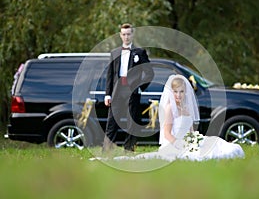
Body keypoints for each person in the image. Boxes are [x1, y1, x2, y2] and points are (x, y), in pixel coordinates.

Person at [114, 74, 245, 161]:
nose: (178, 95)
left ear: (185, 92)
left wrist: (195, 139)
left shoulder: (187, 108)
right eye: (175, 92)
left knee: (216, 143)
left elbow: (191, 130)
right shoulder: (170, 108)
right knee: (201, 155)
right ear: (171, 93)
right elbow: (166, 133)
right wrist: (180, 144)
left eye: (181, 92)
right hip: (174, 143)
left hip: (188, 141)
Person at [103, 23, 154, 152]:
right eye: (124, 34)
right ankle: (107, 150)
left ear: (132, 34)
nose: (126, 37)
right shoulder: (114, 53)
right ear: (120, 35)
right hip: (117, 90)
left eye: (128, 34)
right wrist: (108, 94)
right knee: (112, 120)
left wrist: (141, 87)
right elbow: (109, 75)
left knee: (132, 121)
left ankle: (129, 149)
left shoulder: (140, 52)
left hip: (133, 90)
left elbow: (149, 73)